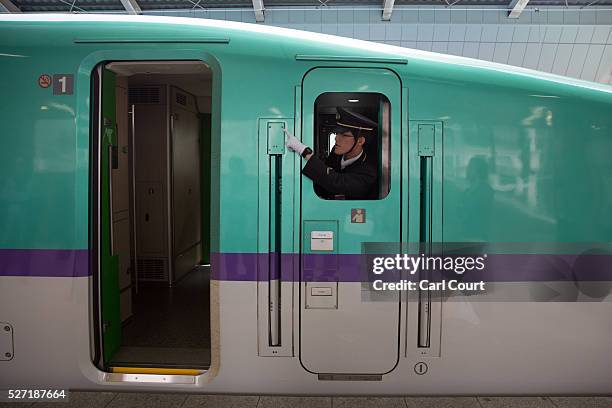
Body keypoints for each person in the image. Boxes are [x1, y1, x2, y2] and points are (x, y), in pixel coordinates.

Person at [285, 107, 378, 200]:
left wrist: (303, 150)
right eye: (337, 133)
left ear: (360, 141)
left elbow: (337, 182)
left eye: (344, 135)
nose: (336, 138)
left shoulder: (369, 171)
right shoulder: (336, 153)